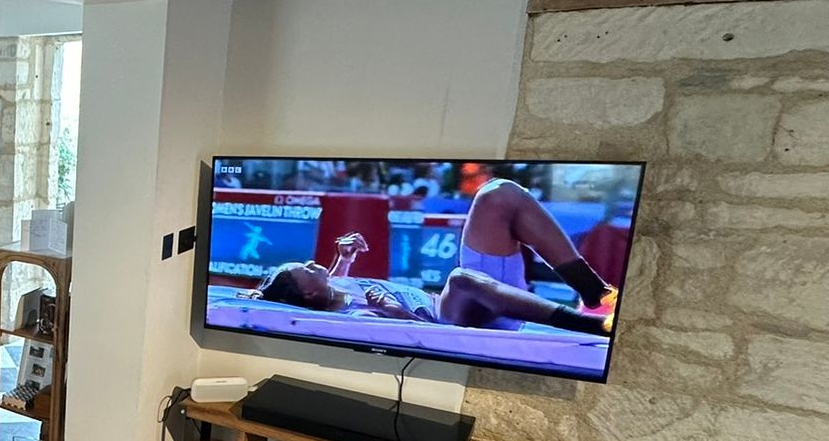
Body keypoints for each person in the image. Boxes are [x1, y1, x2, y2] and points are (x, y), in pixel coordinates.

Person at [247, 178, 618, 335]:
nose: (314, 263)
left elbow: (334, 283)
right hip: (457, 317)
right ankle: (595, 327)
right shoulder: (356, 315)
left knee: (499, 194)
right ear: (309, 293)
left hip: (484, 299)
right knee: (460, 279)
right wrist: (396, 313)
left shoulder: (332, 284)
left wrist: (344, 258)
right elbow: (430, 336)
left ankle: (595, 294)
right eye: (308, 269)